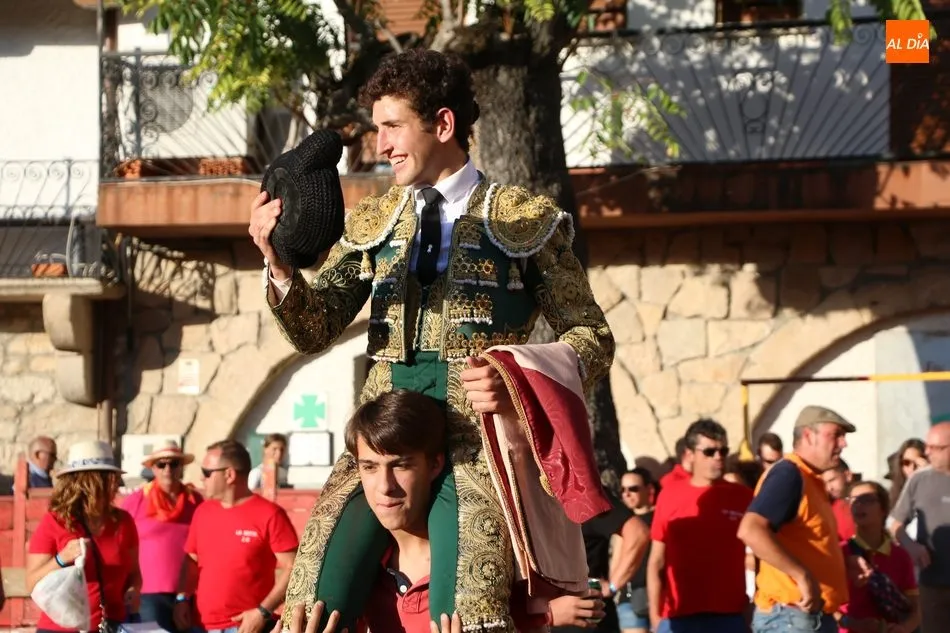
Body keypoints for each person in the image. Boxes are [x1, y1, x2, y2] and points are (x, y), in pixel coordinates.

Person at [250, 48, 614, 631]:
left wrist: (516, 378)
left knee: (468, 618)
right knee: (308, 610)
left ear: (442, 125)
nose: (381, 146)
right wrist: (280, 268)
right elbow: (315, 330)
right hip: (381, 440)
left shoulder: (522, 219)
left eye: (393, 127)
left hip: (476, 445)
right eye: (378, 129)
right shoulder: (374, 221)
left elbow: (592, 336)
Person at [738, 405, 855, 633]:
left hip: (805, 618)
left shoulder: (810, 480)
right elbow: (750, 530)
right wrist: (801, 576)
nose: (843, 443)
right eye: (836, 435)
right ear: (809, 436)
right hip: (790, 617)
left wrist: (844, 565)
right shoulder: (789, 474)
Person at [173, 440, 299, 633]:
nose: (201, 478)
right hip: (200, 626)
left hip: (246, 628)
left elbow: (295, 568)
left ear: (229, 475)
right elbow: (191, 561)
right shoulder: (202, 512)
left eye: (207, 472)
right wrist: (182, 598)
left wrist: (263, 611)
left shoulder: (270, 514)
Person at [647, 419, 753, 633]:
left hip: (729, 615)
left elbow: (760, 554)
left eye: (723, 451)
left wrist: (751, 607)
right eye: (709, 452)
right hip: (678, 616)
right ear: (690, 455)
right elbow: (656, 560)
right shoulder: (669, 495)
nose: (718, 457)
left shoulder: (743, 496)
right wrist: (655, 615)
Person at [26, 440, 142, 633]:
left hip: (111, 626)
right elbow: (32, 582)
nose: (115, 483)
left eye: (114, 477)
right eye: (107, 477)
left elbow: (134, 574)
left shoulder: (123, 522)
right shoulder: (55, 521)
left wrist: (133, 590)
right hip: (60, 629)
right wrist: (62, 558)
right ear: (86, 482)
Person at [122, 440, 203, 633]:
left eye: (174, 464)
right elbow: (121, 545)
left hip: (189, 594)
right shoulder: (135, 501)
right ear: (153, 468)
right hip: (147, 595)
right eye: (161, 464)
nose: (168, 469)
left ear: (181, 468)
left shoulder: (195, 501)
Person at [888, 422, 950, 633]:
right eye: (927, 446)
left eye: (936, 448)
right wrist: (911, 546)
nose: (927, 453)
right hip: (932, 584)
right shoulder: (919, 479)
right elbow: (895, 523)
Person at [837, 481, 919, 633]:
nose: (858, 505)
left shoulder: (900, 556)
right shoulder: (840, 553)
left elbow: (915, 609)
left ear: (883, 509)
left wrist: (904, 628)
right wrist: (854, 624)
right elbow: (824, 607)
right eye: (853, 500)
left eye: (867, 499)